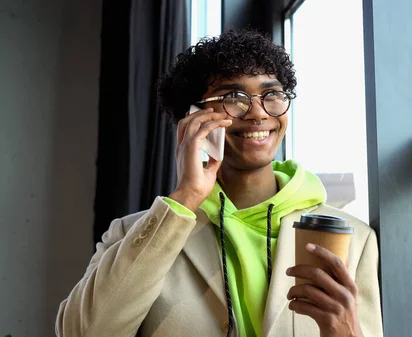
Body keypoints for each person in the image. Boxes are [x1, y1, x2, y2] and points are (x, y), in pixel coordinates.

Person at [55, 29, 383, 337]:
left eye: (272, 94)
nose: (258, 113)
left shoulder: (353, 239)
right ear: (195, 116)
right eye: (234, 97)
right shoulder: (134, 234)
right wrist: (187, 196)